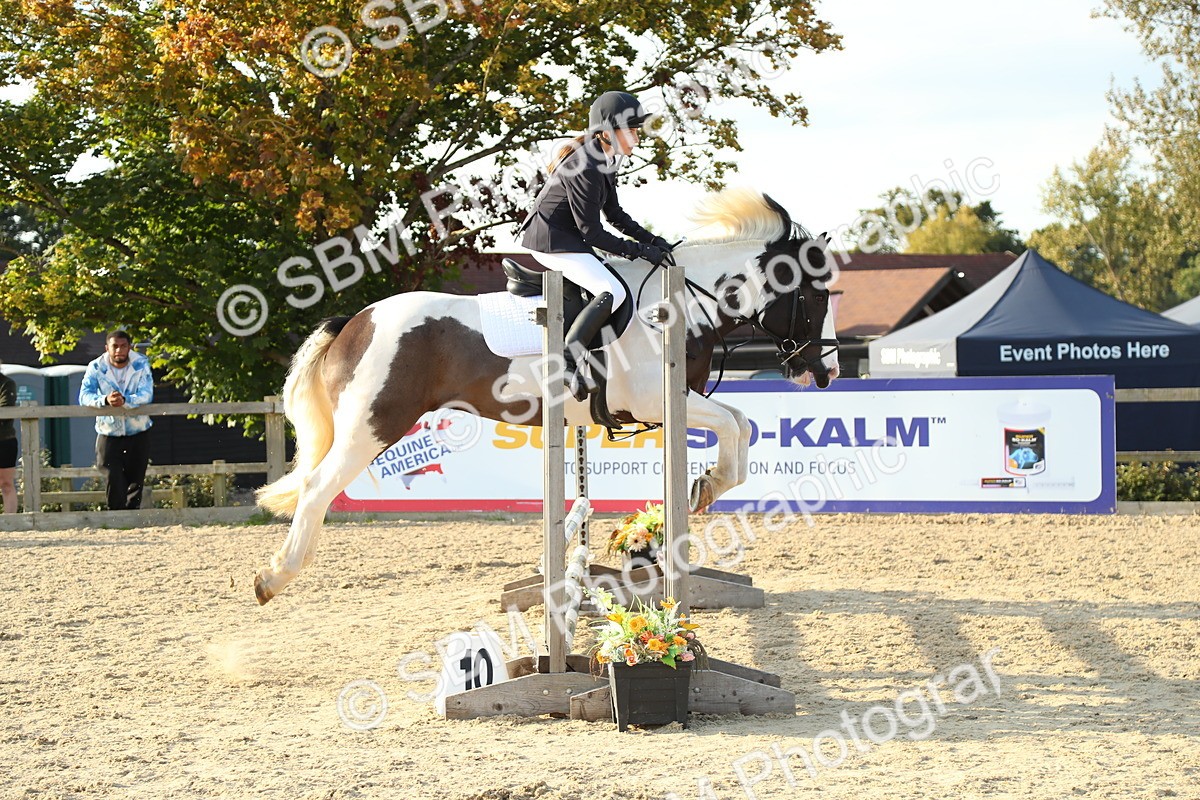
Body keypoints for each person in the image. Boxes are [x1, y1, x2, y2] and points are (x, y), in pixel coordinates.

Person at [520, 90, 673, 400]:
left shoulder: (605, 159)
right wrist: (640, 252)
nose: (637, 138)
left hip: (569, 238)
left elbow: (614, 215)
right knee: (612, 291)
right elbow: (592, 232)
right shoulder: (586, 166)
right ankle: (566, 361)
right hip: (550, 241)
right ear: (606, 131)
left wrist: (652, 240)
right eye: (631, 130)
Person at [79, 331, 155, 510]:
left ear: (129, 347)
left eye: (123, 346)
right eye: (115, 346)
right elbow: (84, 396)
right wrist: (105, 400)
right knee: (112, 476)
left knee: (136, 479)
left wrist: (125, 401)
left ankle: (133, 518)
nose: (119, 350)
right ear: (107, 348)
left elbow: (147, 394)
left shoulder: (141, 364)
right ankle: (115, 517)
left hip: (138, 430)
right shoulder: (96, 366)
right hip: (108, 431)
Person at [0, 362, 18, 514]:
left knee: (6, 483)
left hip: (4, 440)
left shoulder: (6, 384)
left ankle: (10, 520)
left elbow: (5, 410)